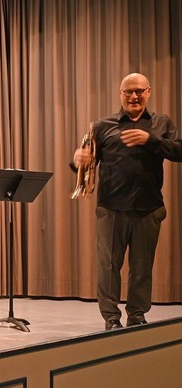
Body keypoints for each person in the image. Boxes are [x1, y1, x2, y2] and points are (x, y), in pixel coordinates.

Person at [73, 72, 182, 330]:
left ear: (149, 92)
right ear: (120, 94)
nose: (134, 96)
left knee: (142, 269)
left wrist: (151, 140)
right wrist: (77, 161)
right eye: (128, 92)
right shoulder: (102, 125)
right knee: (108, 267)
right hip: (111, 208)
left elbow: (179, 150)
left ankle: (137, 316)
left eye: (139, 91)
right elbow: (86, 164)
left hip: (149, 208)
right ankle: (111, 318)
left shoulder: (161, 123)